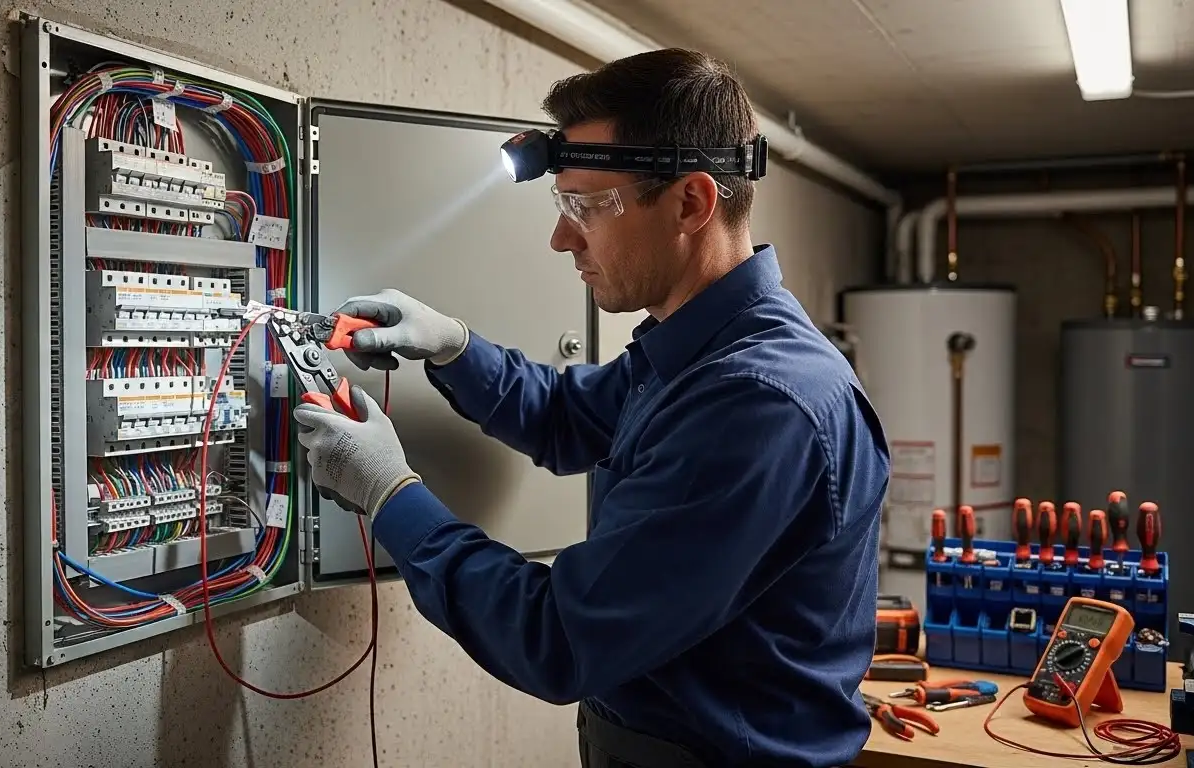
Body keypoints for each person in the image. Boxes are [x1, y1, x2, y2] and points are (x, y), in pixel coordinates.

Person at [292, 48, 891, 768]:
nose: (560, 237)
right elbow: (569, 419)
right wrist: (453, 347)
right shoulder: (696, 348)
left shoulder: (758, 404)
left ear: (691, 203)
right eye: (560, 203)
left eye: (586, 206)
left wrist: (389, 493)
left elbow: (558, 638)